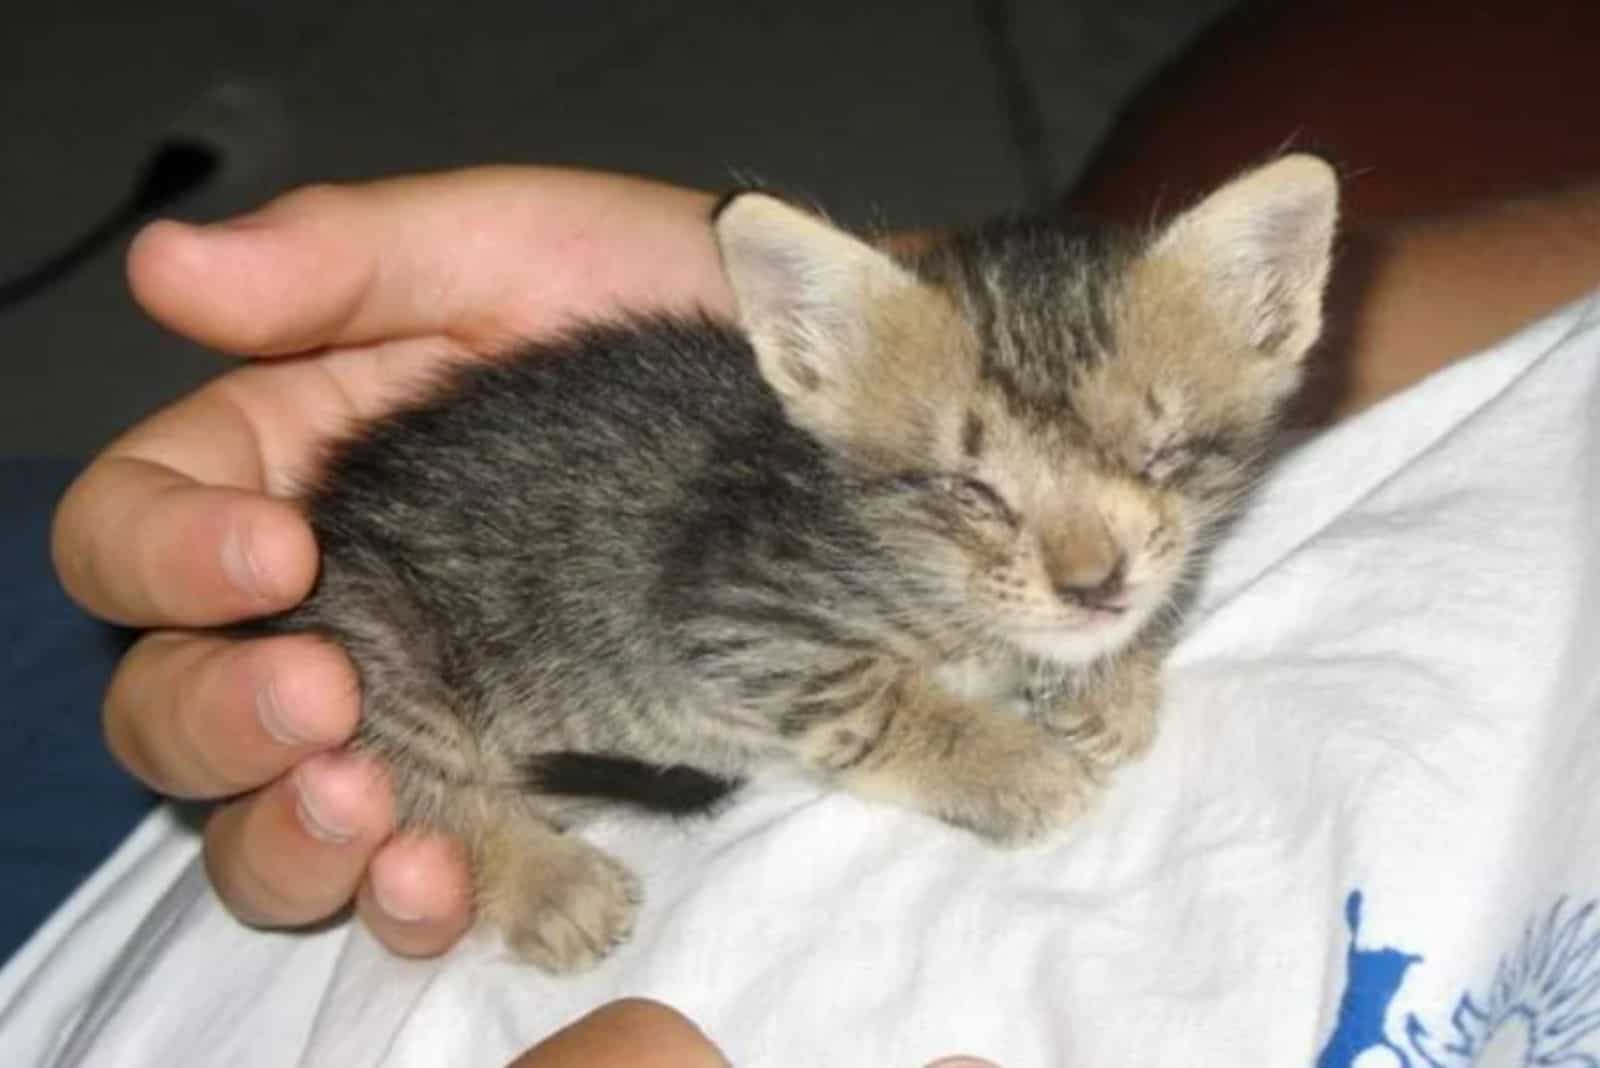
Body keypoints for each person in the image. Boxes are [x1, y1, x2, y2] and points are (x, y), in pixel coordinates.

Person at [18, 1, 1600, 1063]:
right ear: (812, 369)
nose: (1096, 563)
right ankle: (485, 819)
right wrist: (942, 744)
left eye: (1166, 462)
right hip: (456, 640)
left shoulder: (1088, 468)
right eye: (985, 495)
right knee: (342, 669)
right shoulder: (834, 503)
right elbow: (724, 625)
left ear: (1276, 317)